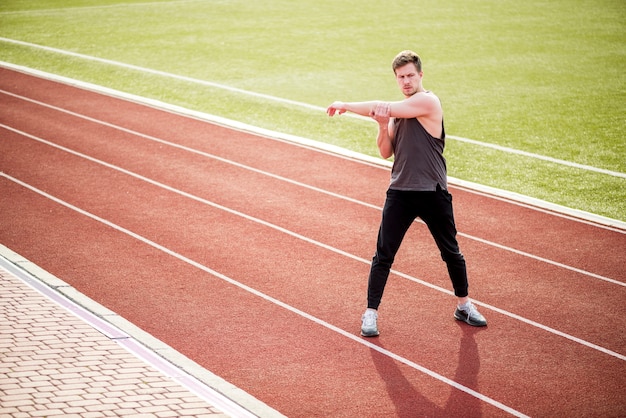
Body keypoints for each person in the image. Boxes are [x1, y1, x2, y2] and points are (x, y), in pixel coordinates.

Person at [327, 50, 487, 337]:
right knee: (383, 255)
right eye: (401, 77)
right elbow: (386, 151)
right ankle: (370, 313)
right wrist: (379, 125)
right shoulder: (396, 113)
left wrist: (345, 105)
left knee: (451, 252)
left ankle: (464, 304)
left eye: (410, 75)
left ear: (421, 75)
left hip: (433, 192)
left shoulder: (428, 102)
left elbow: (382, 105)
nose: (406, 81)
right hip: (400, 192)